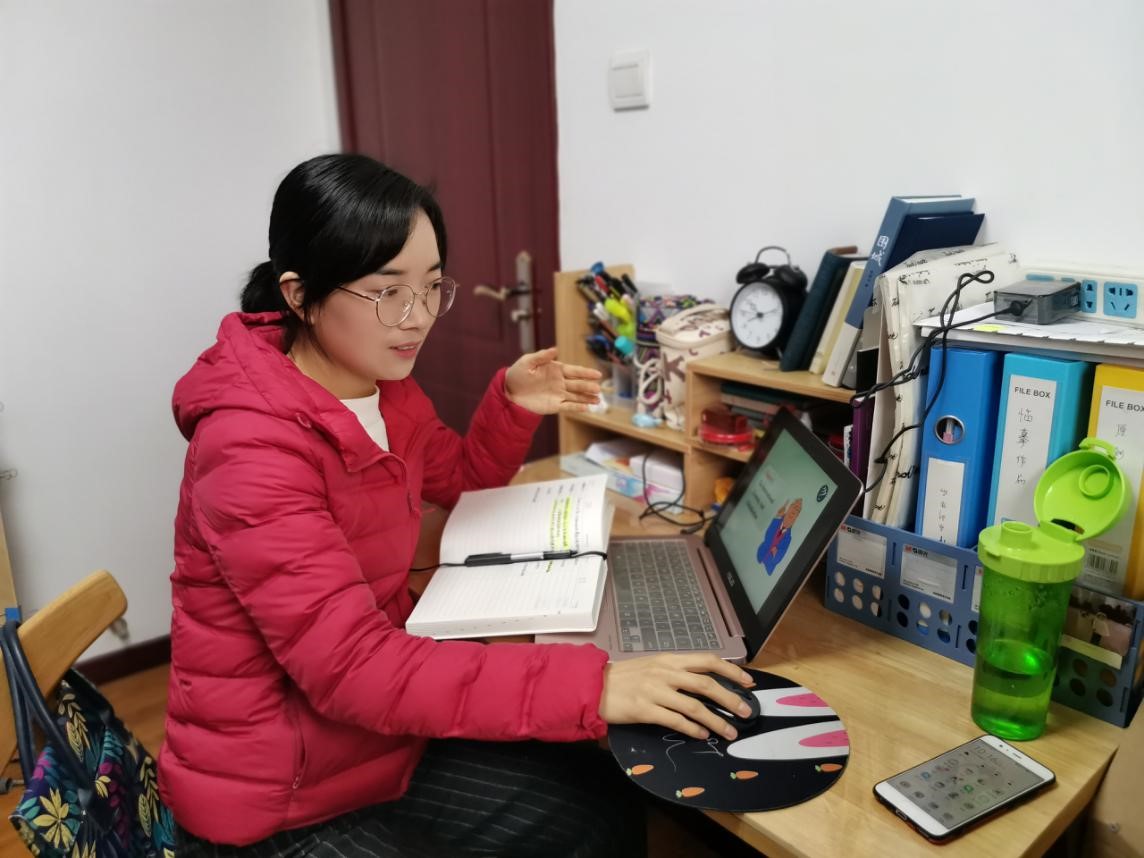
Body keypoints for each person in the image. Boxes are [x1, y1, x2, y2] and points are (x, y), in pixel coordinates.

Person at [160, 153, 756, 857]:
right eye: (388, 292)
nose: (416, 319)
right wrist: (595, 688)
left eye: (431, 286)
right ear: (299, 295)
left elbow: (459, 482)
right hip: (280, 799)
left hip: (369, 745)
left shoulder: (384, 386)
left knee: (600, 808)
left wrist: (511, 404)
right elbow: (354, 670)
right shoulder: (251, 447)